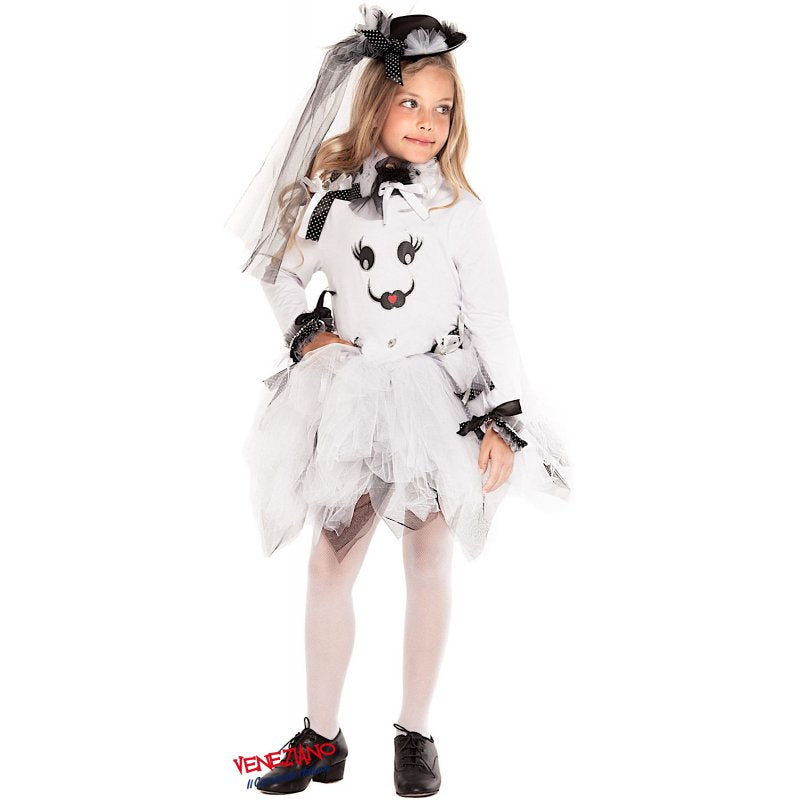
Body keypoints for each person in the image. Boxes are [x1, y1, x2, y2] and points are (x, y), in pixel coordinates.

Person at [224, 6, 571, 796]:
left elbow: (491, 319)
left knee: (427, 561)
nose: (426, 121)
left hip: (434, 402)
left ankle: (415, 733)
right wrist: (307, 333)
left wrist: (503, 421)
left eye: (441, 108)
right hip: (351, 399)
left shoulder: (459, 212)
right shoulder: (330, 199)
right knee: (329, 565)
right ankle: (320, 737)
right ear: (377, 101)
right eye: (410, 102)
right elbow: (278, 269)